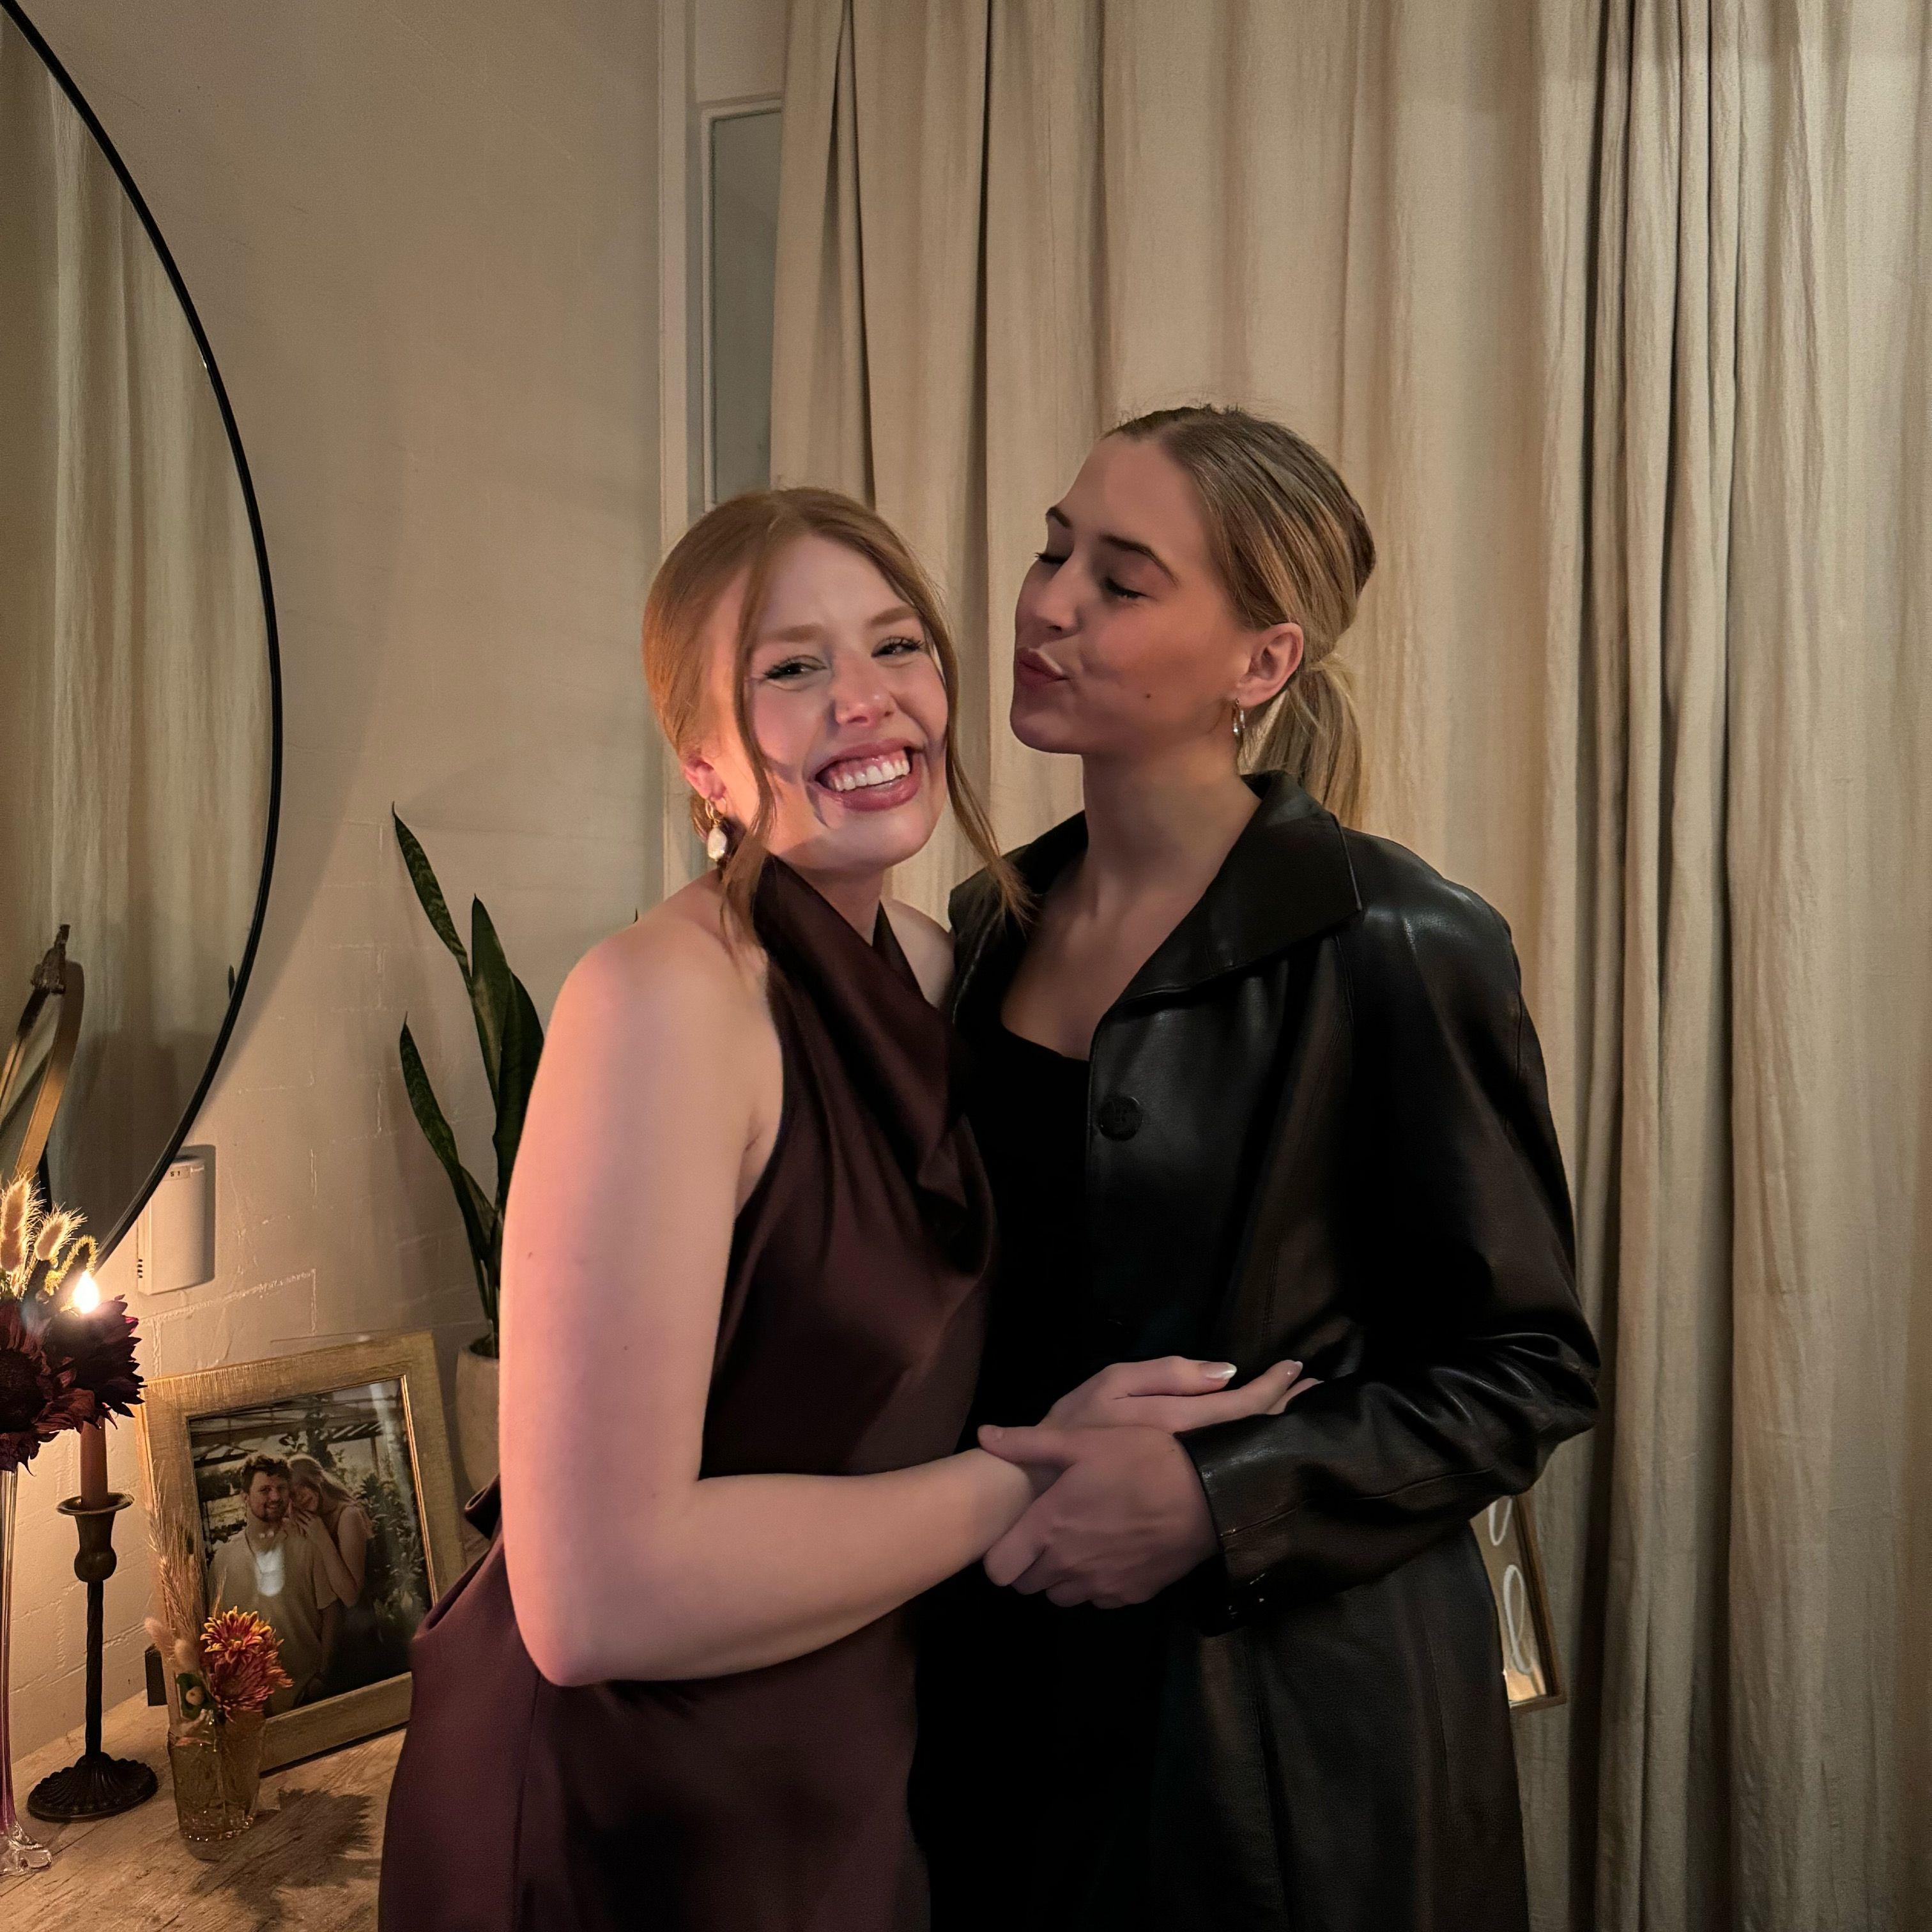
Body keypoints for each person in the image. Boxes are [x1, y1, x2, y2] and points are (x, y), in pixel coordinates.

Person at [378, 487, 1301, 1932]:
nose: (866, 699)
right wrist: (1037, 1477)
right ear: (703, 760)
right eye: (793, 666)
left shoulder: (945, 968)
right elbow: (590, 1601)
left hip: (853, 1756)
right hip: (638, 1808)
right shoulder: (663, 1002)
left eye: (895, 644)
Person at [916, 406, 1601, 1932]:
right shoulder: (981, 929)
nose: (1047, 604)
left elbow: (1528, 1368)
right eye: (1051, 551)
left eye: (1121, 579)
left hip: (1282, 1768)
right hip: (1007, 1716)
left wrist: (1216, 1500)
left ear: (1263, 662)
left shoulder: (1397, 941)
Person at [206, 1455, 341, 1713]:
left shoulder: (308, 1544)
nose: (276, 1497)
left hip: (307, 1691)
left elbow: (332, 1612)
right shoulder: (223, 1560)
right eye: (265, 1490)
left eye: (281, 1488)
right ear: (245, 1497)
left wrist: (323, 1677)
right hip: (253, 1702)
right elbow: (217, 1633)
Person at [287, 1453, 393, 1693]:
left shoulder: (348, 1516)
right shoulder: (314, 1520)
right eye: (292, 1495)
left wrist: (321, 1538)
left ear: (317, 1478)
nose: (299, 1498)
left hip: (358, 1640)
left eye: (302, 1487)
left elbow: (350, 1596)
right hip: (330, 1642)